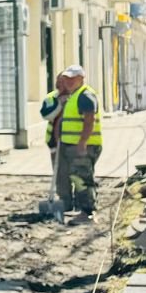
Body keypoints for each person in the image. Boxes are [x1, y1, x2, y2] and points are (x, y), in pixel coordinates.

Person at [41, 65, 102, 215]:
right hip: (67, 144)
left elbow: (89, 121)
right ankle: (74, 208)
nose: (67, 82)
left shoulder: (85, 96)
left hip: (82, 146)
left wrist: (82, 142)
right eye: (65, 79)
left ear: (81, 79)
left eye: (71, 79)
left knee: (81, 179)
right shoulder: (71, 96)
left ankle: (87, 212)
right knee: (70, 177)